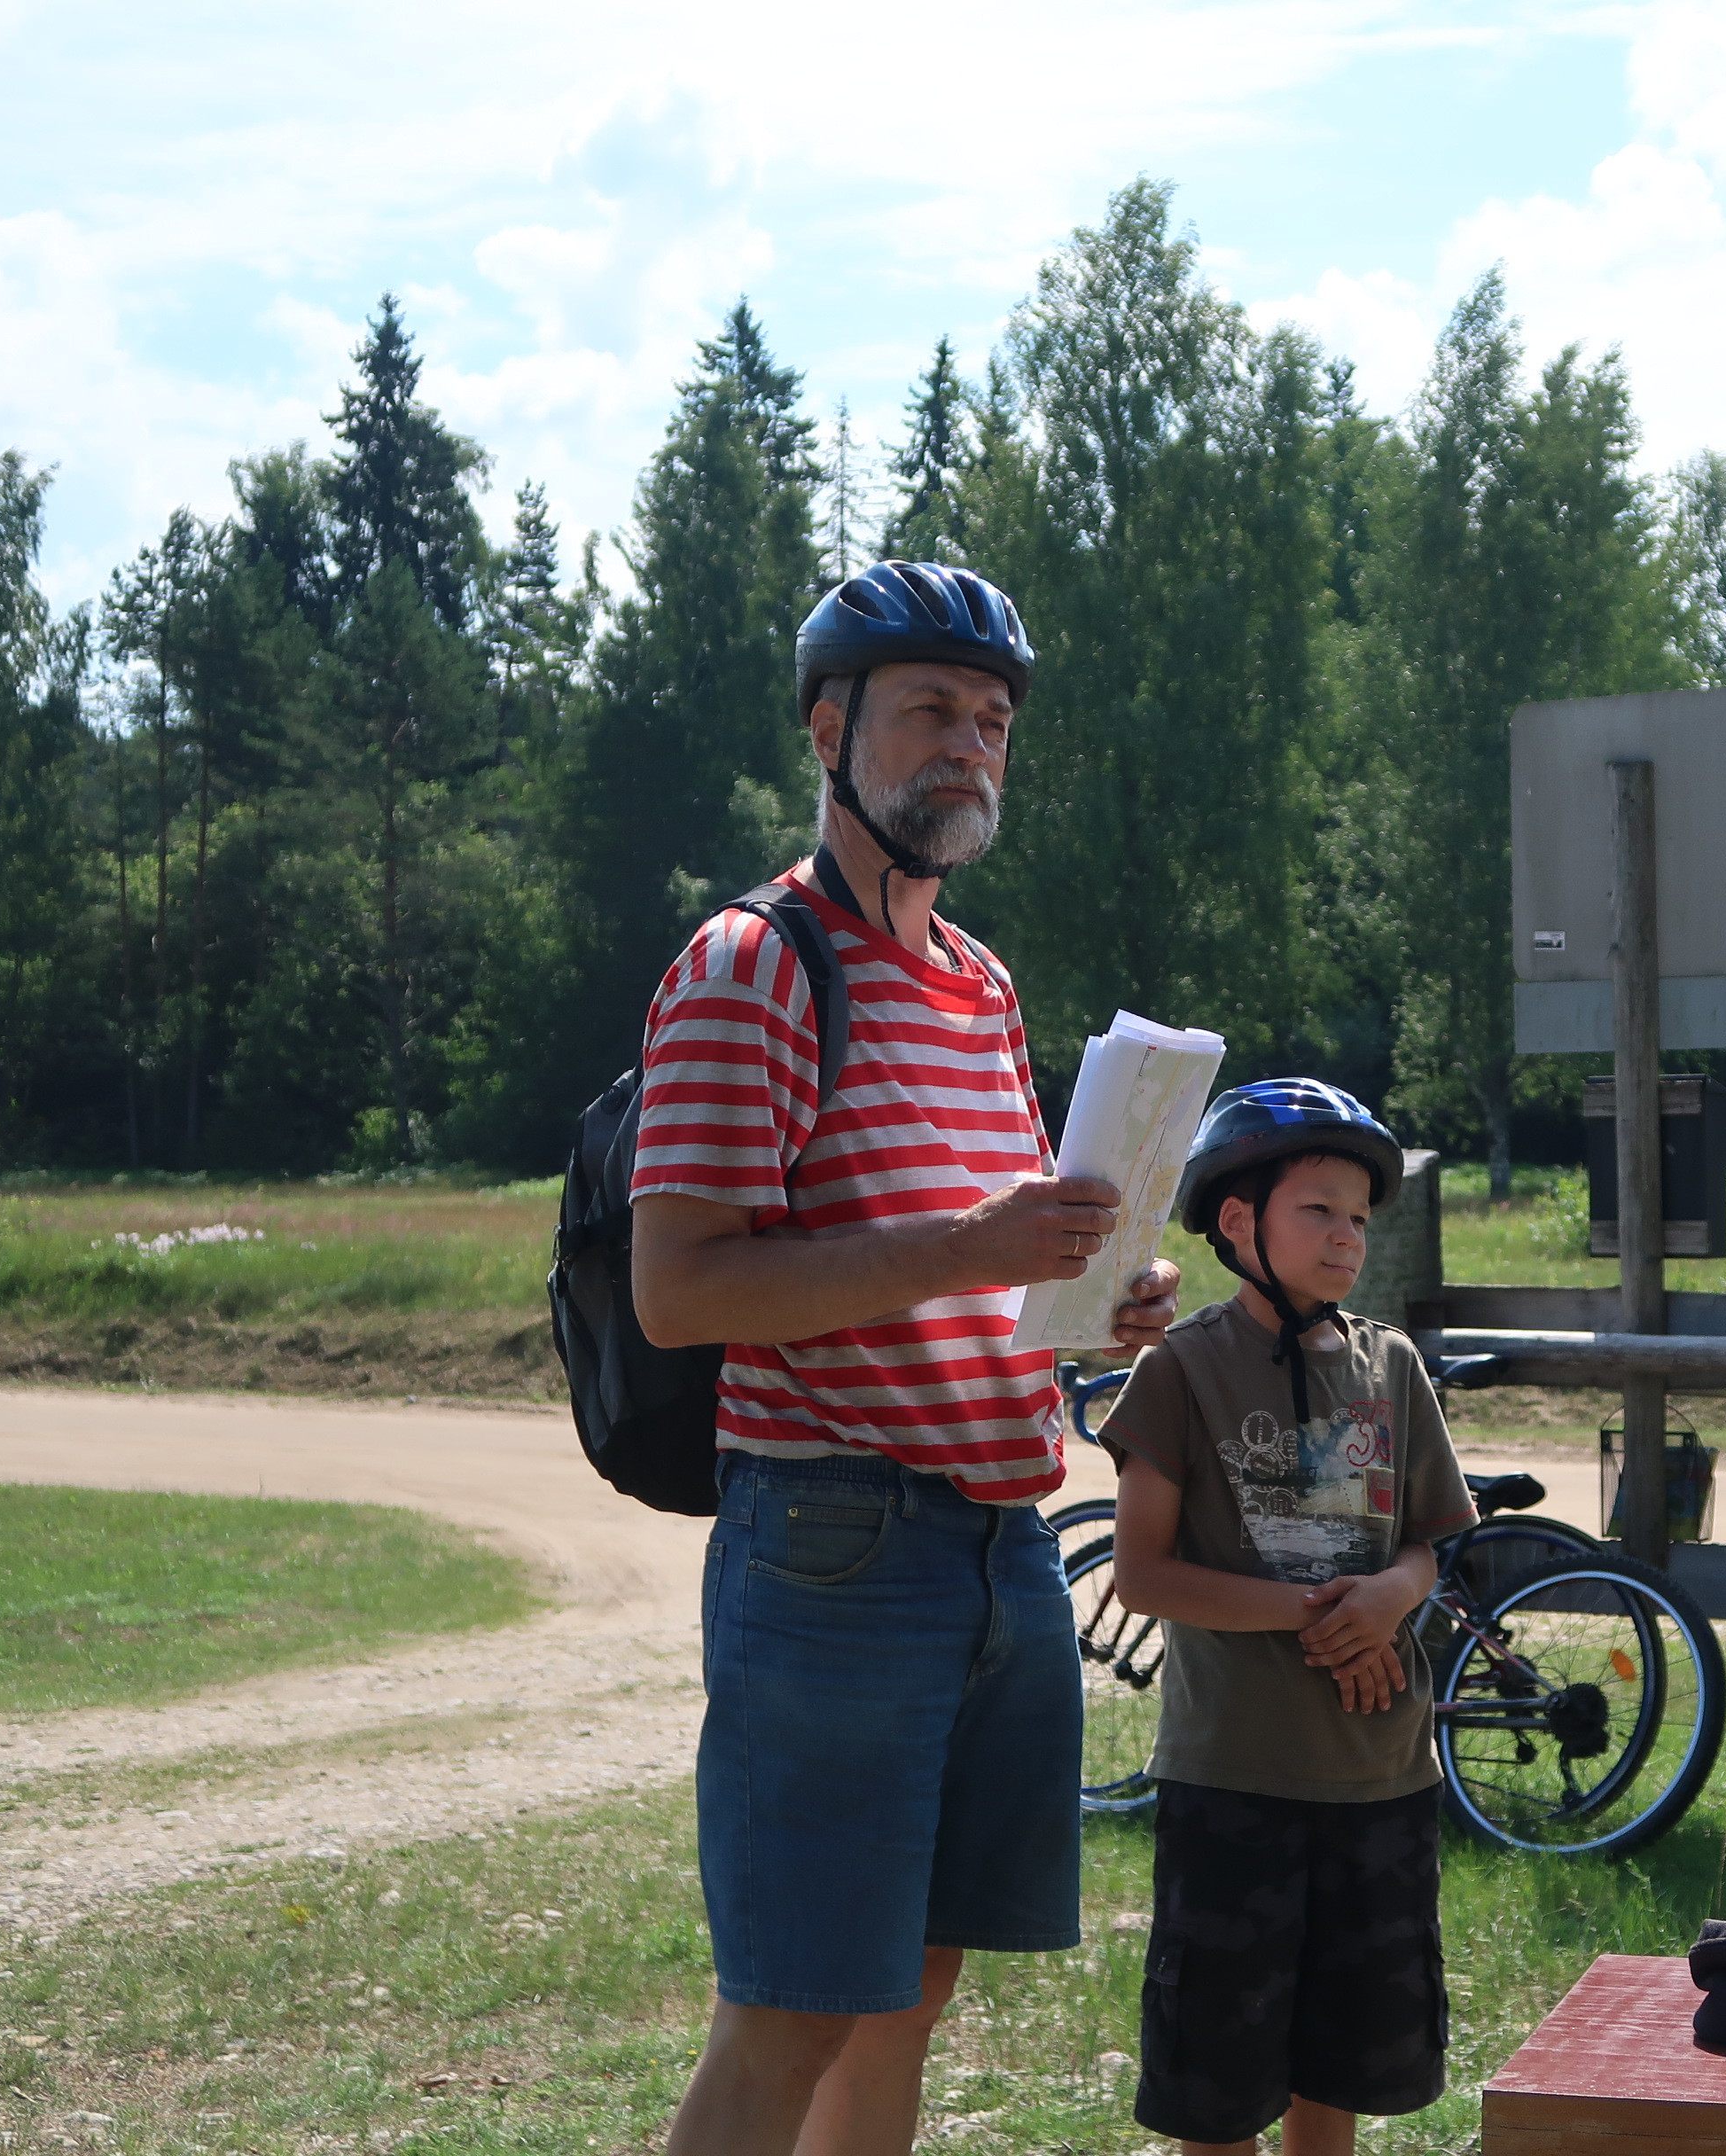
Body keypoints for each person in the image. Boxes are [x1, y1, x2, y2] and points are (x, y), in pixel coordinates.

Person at [626, 559, 1183, 2156]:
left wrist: (1093, 1295)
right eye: (930, 708)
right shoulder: (751, 964)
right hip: (834, 1542)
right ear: (829, 729)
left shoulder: (980, 983)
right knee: (791, 2011)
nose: (969, 746)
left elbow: (978, 1252)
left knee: (911, 1990)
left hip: (1003, 1536)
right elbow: (680, 1290)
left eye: (992, 720)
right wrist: (970, 1248)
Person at [1095, 1080, 1476, 2156]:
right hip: (1234, 1777)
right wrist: (1322, 1616)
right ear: (1237, 1219)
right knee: (1217, 2088)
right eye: (1319, 1209)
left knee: (1338, 2069)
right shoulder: (1179, 1368)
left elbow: (1426, 1541)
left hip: (1380, 1772)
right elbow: (1142, 1572)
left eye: (1360, 1214)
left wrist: (1390, 1596)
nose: (1348, 1234)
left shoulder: (1392, 1364)